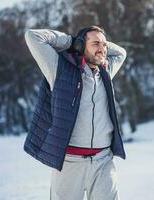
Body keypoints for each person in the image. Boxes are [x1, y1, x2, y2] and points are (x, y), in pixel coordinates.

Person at [23, 25, 127, 200]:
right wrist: (71, 41)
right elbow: (33, 36)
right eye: (95, 44)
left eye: (104, 45)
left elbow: (121, 53)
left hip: (103, 162)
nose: (102, 49)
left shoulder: (106, 72)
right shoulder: (59, 69)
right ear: (80, 46)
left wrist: (99, 43)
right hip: (70, 163)